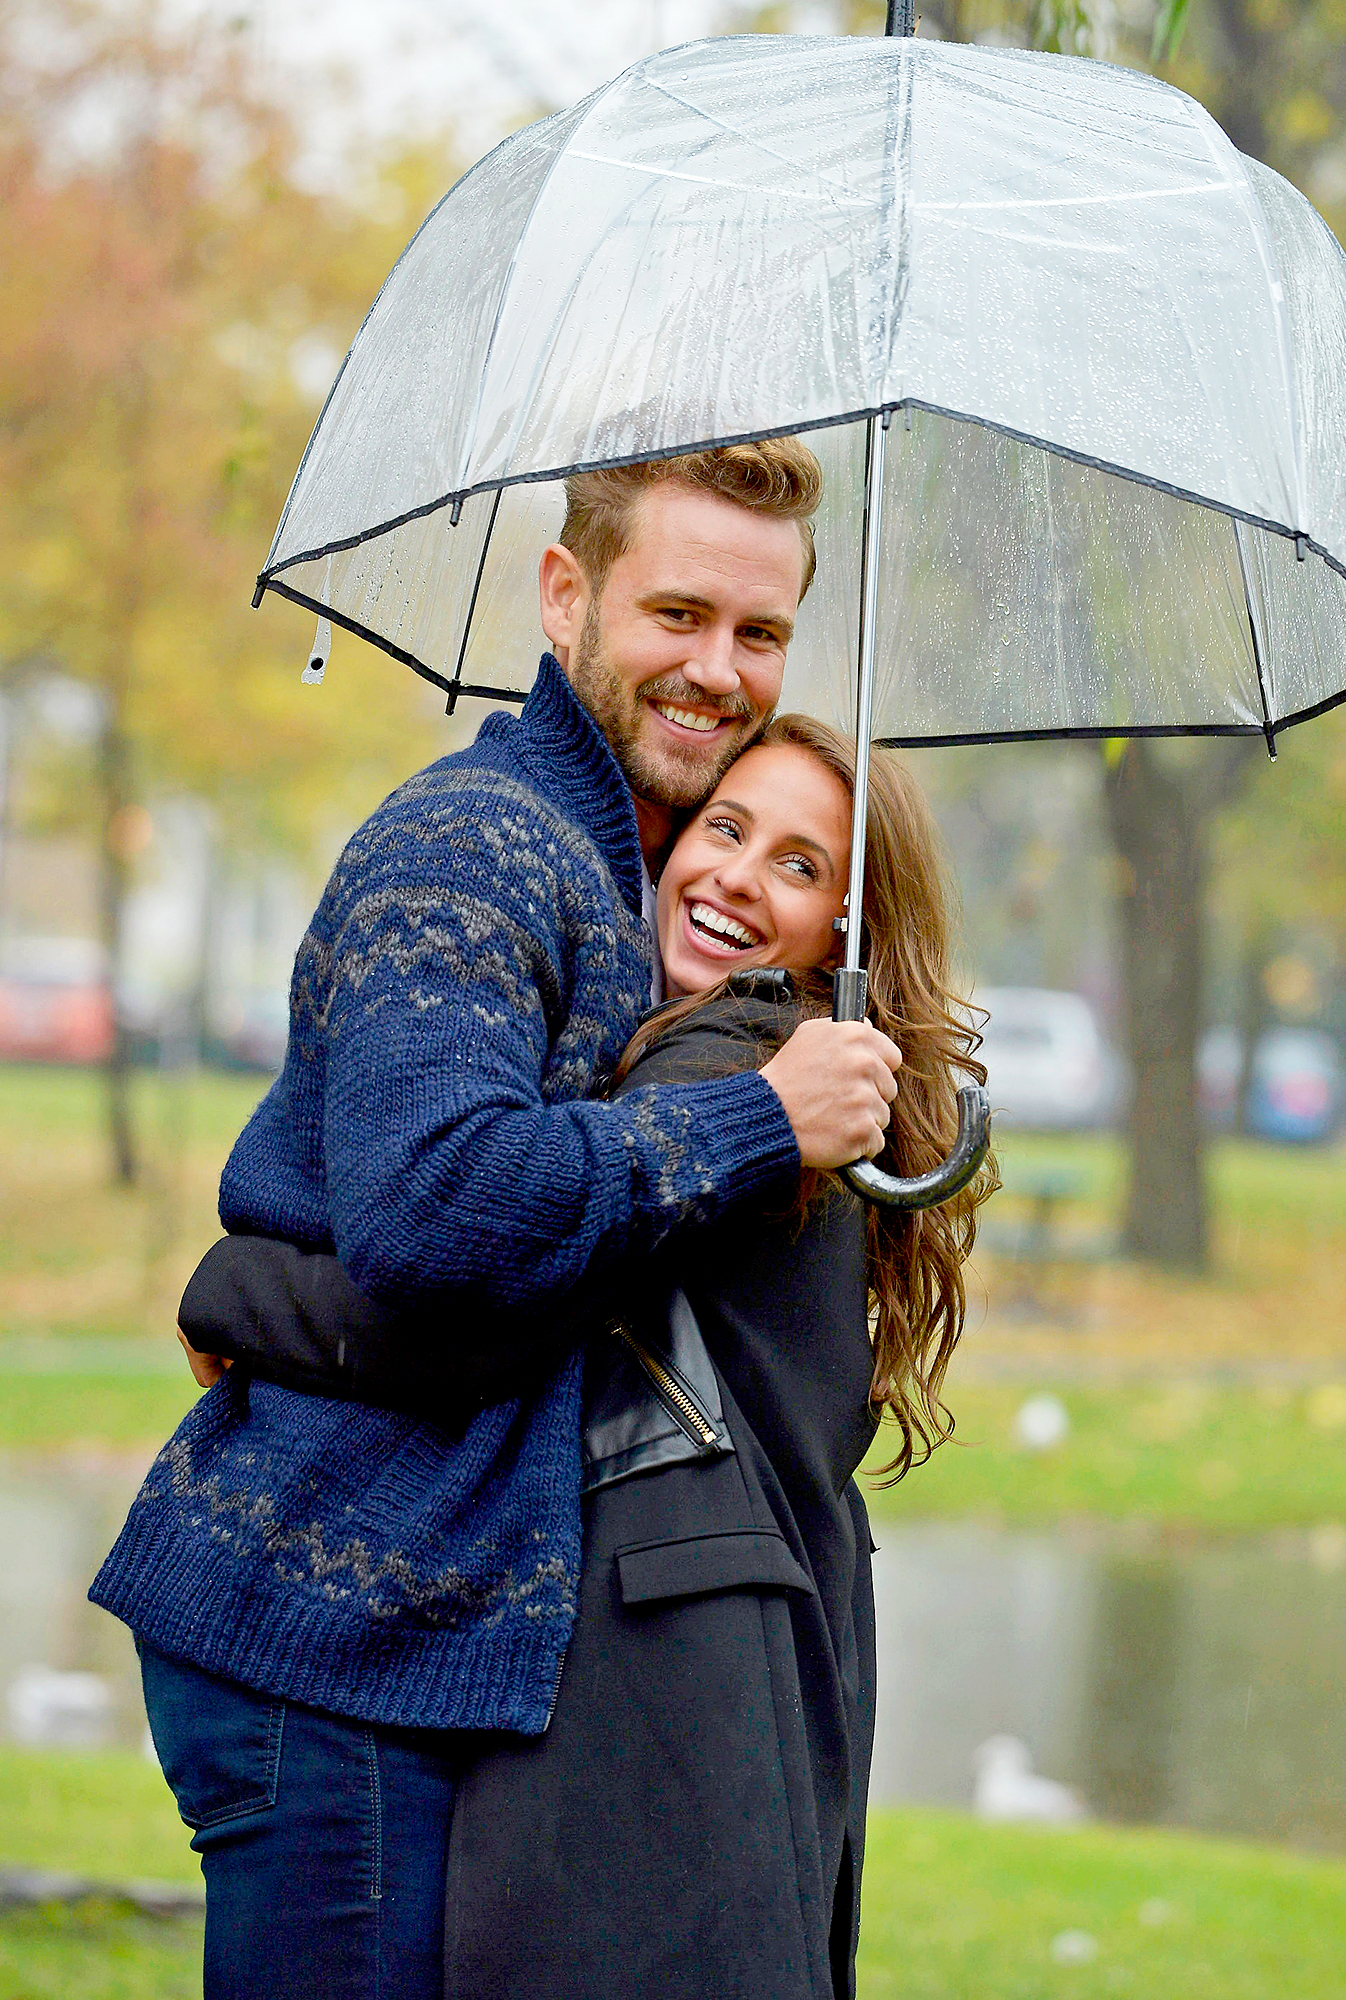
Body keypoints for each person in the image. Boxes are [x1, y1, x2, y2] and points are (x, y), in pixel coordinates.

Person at [90, 440, 904, 2000]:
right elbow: (437, 1209)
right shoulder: (474, 848)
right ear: (563, 596)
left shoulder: (627, 874)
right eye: (676, 613)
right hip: (324, 1640)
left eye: (761, 634)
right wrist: (763, 1121)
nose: (717, 671)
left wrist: (250, 1293)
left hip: (421, 1643)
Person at [176, 716, 997, 2000]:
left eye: (798, 864)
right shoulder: (759, 1080)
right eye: (724, 828)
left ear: (850, 928)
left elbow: (471, 1305)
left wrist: (237, 1287)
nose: (735, 874)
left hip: (664, 1703)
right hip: (703, 1697)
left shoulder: (740, 1079)